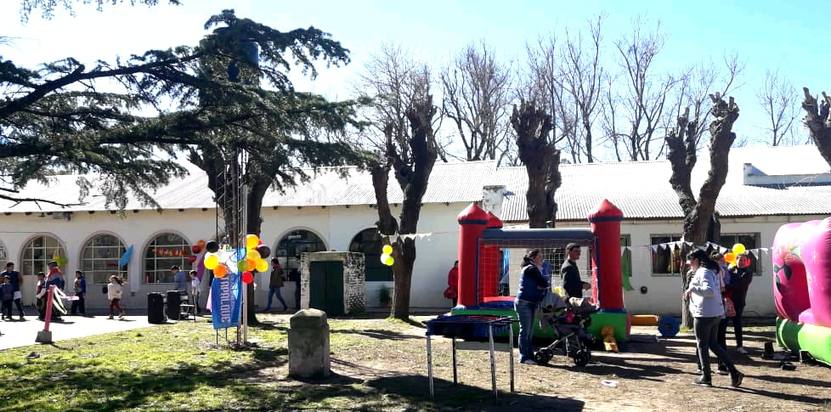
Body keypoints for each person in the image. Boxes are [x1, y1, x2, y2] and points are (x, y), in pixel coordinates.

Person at [683, 248, 743, 387]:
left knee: (702, 345)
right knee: (713, 344)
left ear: (697, 260)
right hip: (714, 312)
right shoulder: (710, 270)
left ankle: (706, 377)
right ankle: (734, 373)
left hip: (705, 314)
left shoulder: (704, 272)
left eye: (691, 261)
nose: (689, 264)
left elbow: (709, 291)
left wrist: (692, 289)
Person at [515, 249, 549, 365]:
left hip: (529, 302)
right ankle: (524, 357)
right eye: (540, 256)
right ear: (534, 258)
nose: (542, 259)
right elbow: (543, 283)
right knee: (525, 331)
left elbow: (542, 284)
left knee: (529, 331)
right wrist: (541, 286)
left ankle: (529, 355)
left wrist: (541, 286)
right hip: (525, 302)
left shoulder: (534, 269)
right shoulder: (531, 269)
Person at [726, 254, 753, 354]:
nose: (741, 262)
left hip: (738, 302)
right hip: (727, 301)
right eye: (739, 260)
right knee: (723, 324)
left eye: (743, 260)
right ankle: (721, 345)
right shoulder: (731, 270)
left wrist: (727, 286)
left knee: (737, 324)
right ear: (736, 260)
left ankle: (739, 346)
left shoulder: (748, 272)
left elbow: (741, 285)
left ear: (746, 262)